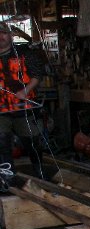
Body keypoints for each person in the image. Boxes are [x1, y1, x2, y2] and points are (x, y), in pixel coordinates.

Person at [0, 21, 45, 190]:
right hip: (1, 110)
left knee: (32, 142)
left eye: (4, 33)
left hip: (24, 108)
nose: (0, 37)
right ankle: (7, 179)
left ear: (10, 35)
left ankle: (40, 175)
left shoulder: (25, 53)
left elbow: (36, 75)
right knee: (2, 143)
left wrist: (25, 91)